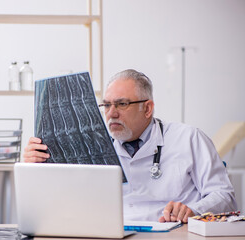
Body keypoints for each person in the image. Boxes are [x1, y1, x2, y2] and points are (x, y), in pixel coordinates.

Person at [23, 69, 237, 223]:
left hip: (172, 233)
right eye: (107, 105)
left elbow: (225, 196)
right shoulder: (92, 146)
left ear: (147, 108)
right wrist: (36, 166)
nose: (111, 113)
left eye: (122, 104)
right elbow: (60, 203)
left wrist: (193, 210)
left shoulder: (189, 138)